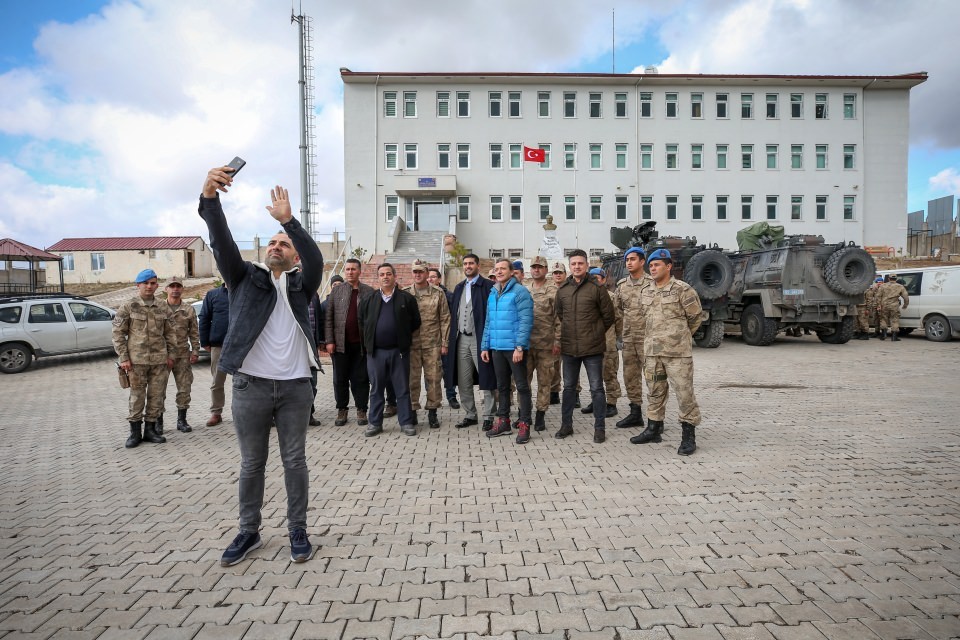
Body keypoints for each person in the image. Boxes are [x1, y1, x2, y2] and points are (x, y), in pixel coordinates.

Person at [200, 167, 323, 567]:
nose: (275, 246)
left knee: (294, 461)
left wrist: (289, 221)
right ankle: (249, 531)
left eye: (284, 244)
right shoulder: (243, 278)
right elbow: (220, 243)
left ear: (294, 256)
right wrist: (210, 200)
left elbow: (317, 257)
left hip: (294, 388)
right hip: (250, 387)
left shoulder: (304, 284)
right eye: (271, 241)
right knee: (252, 463)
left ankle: (297, 530)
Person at [629, 249, 703, 456]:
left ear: (668, 267)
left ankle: (688, 435)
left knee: (684, 393)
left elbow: (695, 318)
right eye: (650, 265)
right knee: (655, 391)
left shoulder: (682, 289)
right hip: (652, 352)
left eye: (657, 265)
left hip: (677, 353)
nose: (652, 268)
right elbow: (646, 317)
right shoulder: (646, 291)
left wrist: (678, 336)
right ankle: (654, 428)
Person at [554, 250, 616, 443]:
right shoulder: (563, 289)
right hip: (569, 348)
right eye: (574, 264)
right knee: (569, 388)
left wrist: (594, 331)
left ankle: (599, 428)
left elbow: (608, 316)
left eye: (581, 263)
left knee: (597, 388)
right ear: (570, 266)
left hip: (593, 349)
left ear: (586, 265)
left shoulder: (597, 288)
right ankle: (566, 425)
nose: (577, 266)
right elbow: (560, 315)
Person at [112, 268, 176, 448]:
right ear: (138, 285)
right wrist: (124, 357)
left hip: (159, 361)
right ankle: (134, 433)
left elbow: (171, 334)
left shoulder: (163, 306)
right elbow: (118, 333)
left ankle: (150, 430)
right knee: (137, 396)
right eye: (146, 283)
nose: (149, 286)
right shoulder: (129, 306)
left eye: (153, 283)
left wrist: (171, 355)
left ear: (157, 285)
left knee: (156, 396)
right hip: (136, 361)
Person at [358, 263, 421, 437]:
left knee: (402, 388)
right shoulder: (368, 299)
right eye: (381, 274)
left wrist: (402, 336)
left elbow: (416, 321)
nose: (385, 277)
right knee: (376, 388)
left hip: (399, 352)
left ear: (394, 277)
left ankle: (406, 422)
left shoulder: (406, 299)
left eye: (388, 274)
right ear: (377, 278)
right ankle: (375, 423)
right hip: (376, 352)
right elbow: (361, 322)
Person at [481, 259, 534, 442]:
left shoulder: (520, 292)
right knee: (502, 387)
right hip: (496, 348)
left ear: (512, 272)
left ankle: (525, 424)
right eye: (497, 269)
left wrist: (520, 346)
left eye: (503, 268)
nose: (500, 271)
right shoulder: (493, 292)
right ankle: (503, 422)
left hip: (514, 349)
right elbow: (489, 322)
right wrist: (485, 346)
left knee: (521, 386)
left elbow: (526, 321)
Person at [448, 253, 496, 430]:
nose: (467, 266)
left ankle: (489, 415)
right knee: (463, 379)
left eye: (471, 263)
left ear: (478, 265)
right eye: (465, 263)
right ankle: (470, 414)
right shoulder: (459, 287)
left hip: (480, 339)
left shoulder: (489, 286)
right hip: (461, 338)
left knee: (487, 377)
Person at [324, 258, 373, 426]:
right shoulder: (336, 292)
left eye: (353, 269)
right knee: (340, 379)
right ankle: (342, 409)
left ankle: (361, 410)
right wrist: (330, 341)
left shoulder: (369, 292)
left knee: (361, 378)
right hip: (339, 345)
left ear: (360, 271)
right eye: (348, 269)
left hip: (361, 345)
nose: (350, 272)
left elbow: (373, 319)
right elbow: (329, 318)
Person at [404, 260, 451, 428]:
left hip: (433, 344)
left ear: (426, 273)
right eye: (415, 272)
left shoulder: (438, 293)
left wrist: (445, 343)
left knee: (434, 378)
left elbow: (445, 318)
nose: (417, 275)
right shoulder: (405, 293)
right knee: (412, 379)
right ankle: (413, 411)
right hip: (412, 345)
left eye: (421, 272)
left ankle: (432, 411)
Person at [613, 247, 651, 428]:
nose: (629, 262)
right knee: (630, 377)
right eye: (627, 259)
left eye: (633, 259)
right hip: (629, 341)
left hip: (649, 341)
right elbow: (618, 311)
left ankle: (655, 417)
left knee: (653, 378)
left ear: (642, 262)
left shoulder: (652, 283)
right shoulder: (622, 286)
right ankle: (635, 413)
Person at [159, 276, 201, 433]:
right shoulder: (158, 308)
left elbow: (194, 332)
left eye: (178, 286)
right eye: (172, 286)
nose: (175, 289)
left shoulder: (188, 309)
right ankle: (158, 422)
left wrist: (195, 350)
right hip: (162, 355)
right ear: (166, 289)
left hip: (182, 354)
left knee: (184, 388)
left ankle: (181, 420)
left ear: (182, 289)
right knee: (159, 389)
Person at [524, 256, 560, 431]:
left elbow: (560, 319)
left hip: (546, 345)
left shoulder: (554, 290)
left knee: (545, 381)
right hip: (526, 344)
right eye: (534, 267)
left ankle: (540, 415)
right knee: (524, 380)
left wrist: (557, 342)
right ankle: (525, 414)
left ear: (546, 270)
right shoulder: (524, 289)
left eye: (540, 267)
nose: (536, 270)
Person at [584, 268, 621, 419]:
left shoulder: (611, 297)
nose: (595, 280)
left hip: (608, 343)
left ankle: (612, 403)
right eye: (592, 278)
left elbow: (619, 319)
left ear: (604, 280)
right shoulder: (586, 297)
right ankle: (596, 401)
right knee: (594, 376)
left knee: (610, 374)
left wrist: (617, 337)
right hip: (592, 343)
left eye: (598, 278)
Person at [199, 282, 230, 426]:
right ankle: (216, 412)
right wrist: (204, 341)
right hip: (218, 345)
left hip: (242, 345)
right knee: (217, 381)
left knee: (243, 382)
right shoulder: (213, 295)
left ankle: (242, 412)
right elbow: (204, 318)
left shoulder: (245, 291)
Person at [429, 267, 459, 409]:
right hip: (429, 341)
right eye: (428, 277)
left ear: (439, 279)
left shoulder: (449, 295)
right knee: (431, 372)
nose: (430, 279)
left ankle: (451, 396)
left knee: (448, 369)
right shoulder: (421, 295)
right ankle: (433, 399)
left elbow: (453, 318)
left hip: (446, 340)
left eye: (433, 277)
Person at [549, 261, 568, 406]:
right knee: (554, 365)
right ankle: (554, 392)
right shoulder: (550, 290)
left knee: (569, 365)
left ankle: (575, 393)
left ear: (565, 274)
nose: (557, 275)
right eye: (555, 273)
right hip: (554, 333)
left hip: (570, 333)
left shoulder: (571, 289)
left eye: (560, 272)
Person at [876, 273, 909, 341]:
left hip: (884, 305)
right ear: (896, 279)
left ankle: (884, 334)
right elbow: (906, 297)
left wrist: (878, 305)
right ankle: (894, 336)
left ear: (888, 278)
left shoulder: (883, 286)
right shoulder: (900, 286)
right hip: (894, 306)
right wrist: (905, 305)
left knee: (883, 319)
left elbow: (878, 296)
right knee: (895, 320)